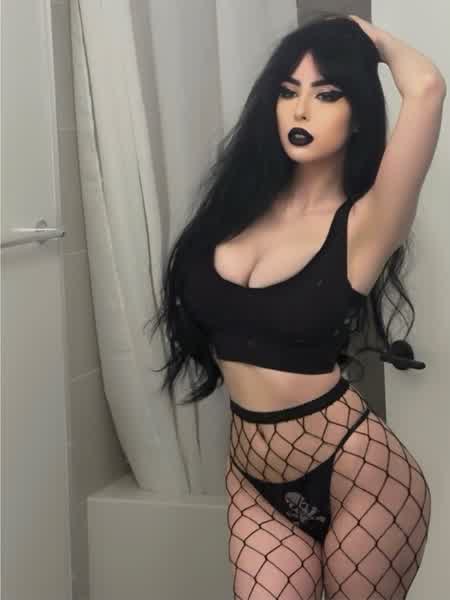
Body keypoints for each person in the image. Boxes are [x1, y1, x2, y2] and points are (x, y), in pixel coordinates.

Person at [146, 12, 446, 599]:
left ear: (358, 115)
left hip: (361, 480)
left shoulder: (367, 223)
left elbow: (427, 87)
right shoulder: (236, 209)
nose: (301, 110)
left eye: (327, 94)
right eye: (288, 92)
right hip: (252, 478)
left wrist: (368, 37)